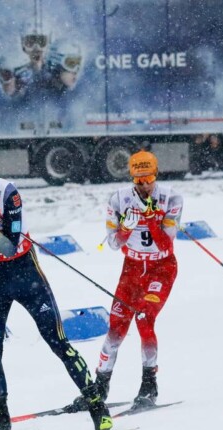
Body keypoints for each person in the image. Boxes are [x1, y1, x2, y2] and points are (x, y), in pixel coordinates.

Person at [0, 147, 111, 430]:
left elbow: (9, 246)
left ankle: (98, 408)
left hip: (24, 272)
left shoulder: (8, 193)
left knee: (56, 340)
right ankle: (1, 421)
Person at [67, 150, 183, 412]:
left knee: (144, 317)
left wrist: (152, 219)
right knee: (116, 327)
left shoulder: (171, 198)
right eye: (138, 180)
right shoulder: (118, 199)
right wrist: (126, 228)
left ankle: (149, 384)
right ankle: (100, 385)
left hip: (160, 268)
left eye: (149, 179)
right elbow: (113, 243)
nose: (144, 186)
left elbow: (166, 243)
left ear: (156, 175)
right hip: (131, 269)